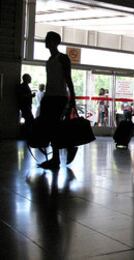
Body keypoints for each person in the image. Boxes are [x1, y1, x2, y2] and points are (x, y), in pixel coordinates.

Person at [38, 31, 77, 169]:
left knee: (54, 127)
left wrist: (72, 99)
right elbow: (50, 81)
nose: (46, 41)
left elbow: (68, 79)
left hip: (59, 98)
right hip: (50, 97)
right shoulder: (49, 61)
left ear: (55, 42)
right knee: (51, 127)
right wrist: (45, 98)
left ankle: (58, 157)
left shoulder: (63, 58)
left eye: (48, 39)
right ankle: (59, 155)